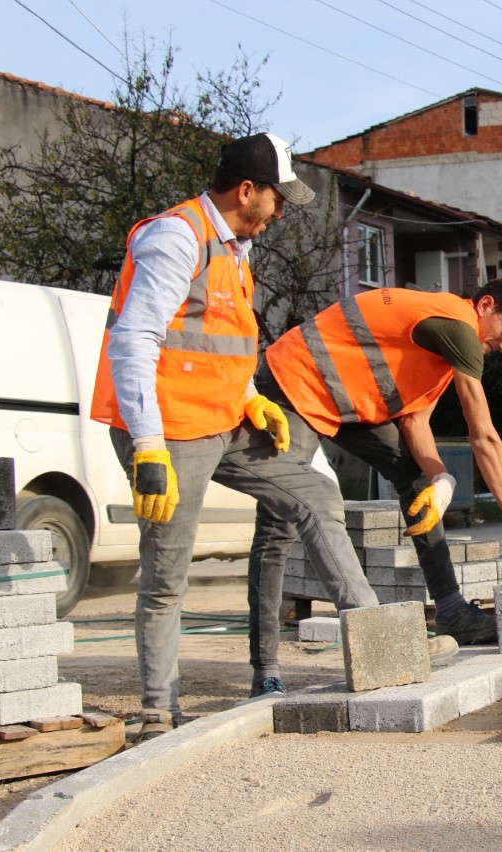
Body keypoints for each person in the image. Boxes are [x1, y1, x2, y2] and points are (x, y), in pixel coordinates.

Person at [89, 132, 457, 742]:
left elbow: (215, 346)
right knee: (167, 576)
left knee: (314, 496)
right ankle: (158, 711)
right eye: (278, 199)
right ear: (246, 191)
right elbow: (135, 341)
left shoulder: (236, 250)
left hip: (224, 423)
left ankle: (378, 642)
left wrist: (251, 397)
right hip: (169, 434)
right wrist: (149, 446)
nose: (282, 211)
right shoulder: (177, 238)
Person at [244, 277, 502, 697]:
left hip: (347, 403)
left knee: (419, 485)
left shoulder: (444, 347)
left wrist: (441, 479)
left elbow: (414, 422)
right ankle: (265, 670)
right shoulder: (457, 326)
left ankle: (452, 610)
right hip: (293, 382)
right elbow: (485, 437)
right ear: (485, 306)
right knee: (280, 520)